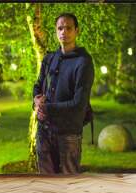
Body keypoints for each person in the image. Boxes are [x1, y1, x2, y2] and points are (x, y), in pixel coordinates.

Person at [33, 13, 95, 174]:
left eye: (68, 28)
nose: (64, 32)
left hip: (69, 134)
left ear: (77, 31)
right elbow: (38, 86)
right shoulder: (49, 58)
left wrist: (47, 108)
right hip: (44, 131)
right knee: (46, 183)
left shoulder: (84, 61)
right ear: (56, 31)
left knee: (68, 184)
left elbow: (79, 103)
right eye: (60, 28)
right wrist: (36, 102)